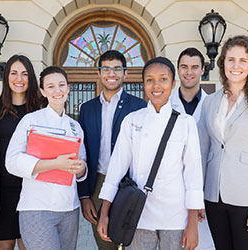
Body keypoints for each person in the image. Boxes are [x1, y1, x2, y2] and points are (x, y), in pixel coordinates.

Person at [97, 57, 204, 250]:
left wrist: (193, 224)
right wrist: (104, 213)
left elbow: (193, 175)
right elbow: (116, 169)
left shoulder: (185, 123)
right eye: (149, 80)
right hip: (138, 216)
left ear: (172, 84)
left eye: (163, 79)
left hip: (175, 217)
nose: (156, 85)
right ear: (143, 84)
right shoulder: (132, 121)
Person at [198, 35, 248, 250]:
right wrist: (196, 197)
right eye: (230, 59)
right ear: (222, 62)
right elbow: (201, 153)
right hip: (213, 198)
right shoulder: (210, 102)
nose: (236, 66)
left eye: (243, 60)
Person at [5, 66, 87, 250]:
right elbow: (11, 161)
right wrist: (54, 164)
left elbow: (82, 165)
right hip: (37, 207)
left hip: (69, 209)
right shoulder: (30, 120)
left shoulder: (75, 127)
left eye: (61, 85)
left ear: (68, 88)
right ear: (42, 91)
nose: (57, 91)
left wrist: (81, 169)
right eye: (50, 86)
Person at [77, 50, 146, 249]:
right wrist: (84, 196)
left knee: (133, 241)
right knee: (104, 242)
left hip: (130, 182)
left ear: (126, 73)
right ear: (99, 73)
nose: (111, 73)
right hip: (98, 181)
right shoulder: (87, 108)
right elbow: (82, 153)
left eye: (117, 69)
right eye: (106, 69)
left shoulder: (139, 106)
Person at [0, 55, 41, 250]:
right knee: (5, 246)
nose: (19, 79)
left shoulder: (41, 108)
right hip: (2, 191)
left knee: (28, 245)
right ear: (6, 77)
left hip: (33, 190)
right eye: (14, 73)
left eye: (24, 74)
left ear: (31, 78)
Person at [172, 47, 215, 250]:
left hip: (205, 189)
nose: (189, 72)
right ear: (178, 69)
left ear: (202, 70)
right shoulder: (164, 104)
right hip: (172, 188)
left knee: (203, 243)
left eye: (194, 67)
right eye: (184, 67)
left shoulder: (213, 105)